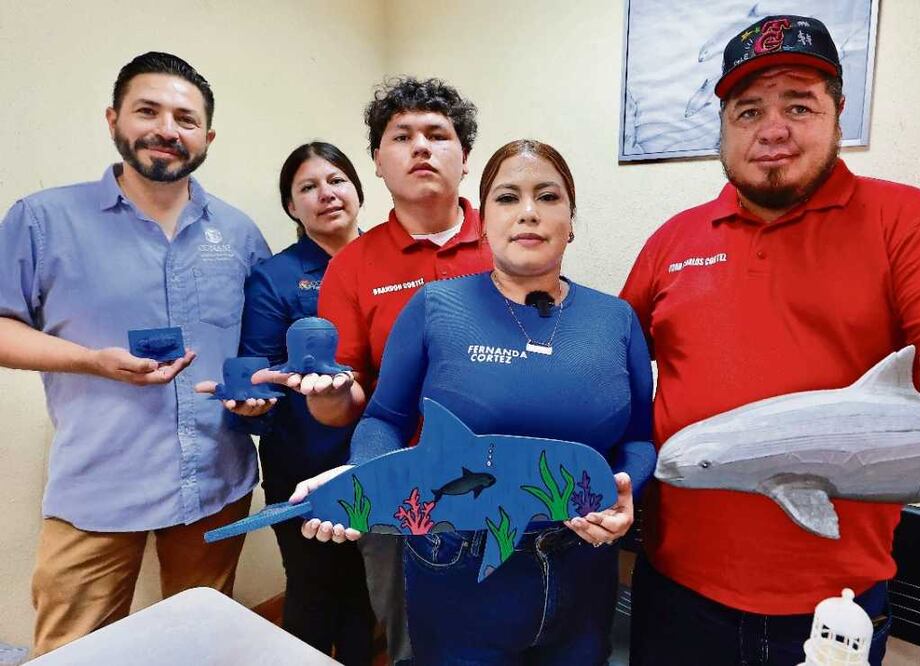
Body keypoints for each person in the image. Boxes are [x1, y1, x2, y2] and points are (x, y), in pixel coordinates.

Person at [619, 15, 920, 666]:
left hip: (836, 614)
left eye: (799, 104)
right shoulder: (673, 240)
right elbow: (605, 368)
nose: (773, 128)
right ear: (723, 125)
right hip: (674, 597)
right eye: (748, 110)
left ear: (838, 112)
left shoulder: (912, 224)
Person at [290, 139, 656, 665]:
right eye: (508, 197)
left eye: (547, 196)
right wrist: (367, 479)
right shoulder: (435, 307)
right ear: (484, 223)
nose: (528, 212)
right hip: (455, 563)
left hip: (583, 566)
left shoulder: (615, 320)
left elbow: (639, 439)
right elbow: (385, 419)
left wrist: (625, 494)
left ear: (571, 221)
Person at [0, 51, 270, 656]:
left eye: (186, 118)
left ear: (208, 136)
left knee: (205, 642)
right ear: (114, 118)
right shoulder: (43, 220)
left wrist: (256, 399)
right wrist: (87, 360)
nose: (167, 130)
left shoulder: (241, 233)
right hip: (97, 487)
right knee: (74, 651)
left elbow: (256, 351)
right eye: (148, 110)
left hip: (216, 483)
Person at [256, 77, 491, 666]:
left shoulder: (509, 235)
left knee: (509, 630)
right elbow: (349, 397)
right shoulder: (354, 266)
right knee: (415, 641)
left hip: (501, 479)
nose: (420, 147)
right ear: (379, 165)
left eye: (438, 135)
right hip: (401, 487)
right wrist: (327, 395)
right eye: (401, 136)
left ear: (464, 159)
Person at [196, 142, 374, 664]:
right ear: (292, 207)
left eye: (337, 180)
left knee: (371, 585)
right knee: (314, 588)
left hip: (382, 450)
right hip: (304, 456)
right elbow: (256, 367)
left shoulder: (387, 259)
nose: (326, 194)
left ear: (358, 190)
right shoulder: (276, 277)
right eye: (308, 187)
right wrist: (253, 400)